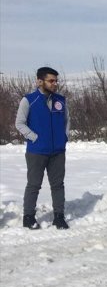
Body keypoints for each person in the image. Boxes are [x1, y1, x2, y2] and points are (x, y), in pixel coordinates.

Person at [15, 67, 70, 230]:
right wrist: (35, 138)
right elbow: (19, 123)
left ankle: (59, 216)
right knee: (33, 184)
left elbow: (67, 121)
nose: (55, 84)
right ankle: (28, 216)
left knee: (58, 185)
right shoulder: (29, 100)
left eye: (56, 80)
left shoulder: (61, 100)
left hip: (58, 151)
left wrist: (64, 137)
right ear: (40, 81)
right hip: (37, 151)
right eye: (51, 80)